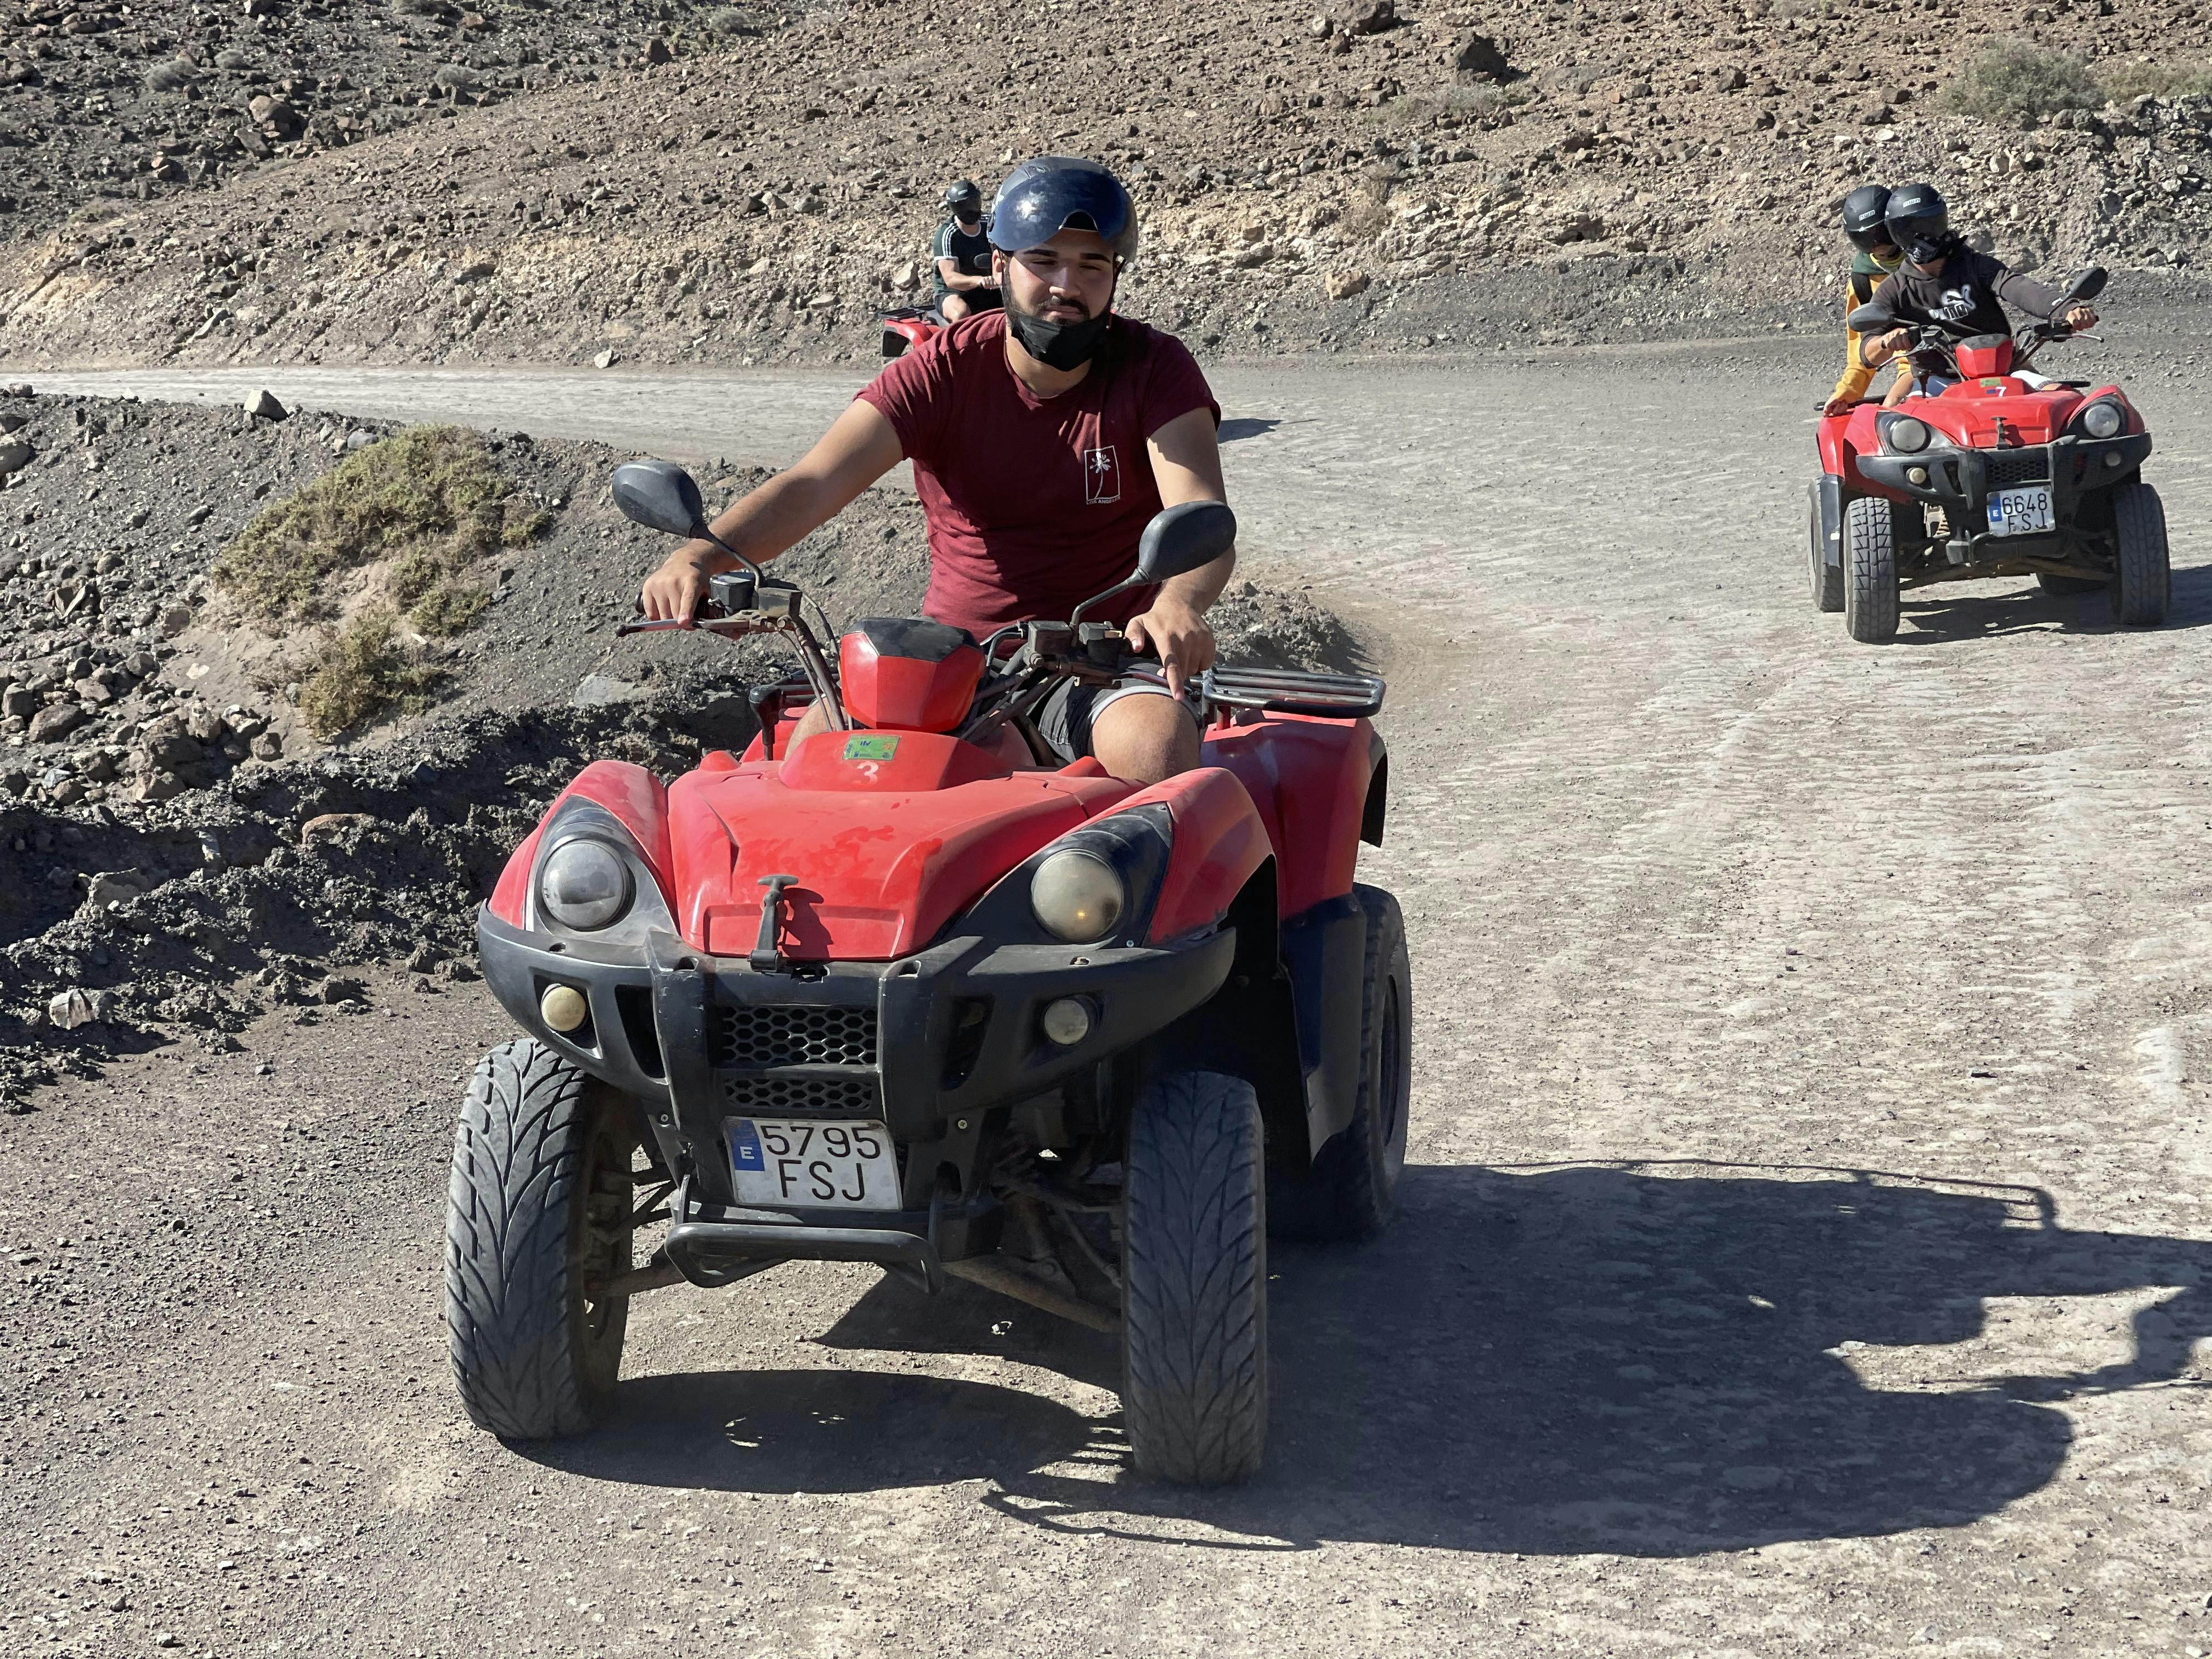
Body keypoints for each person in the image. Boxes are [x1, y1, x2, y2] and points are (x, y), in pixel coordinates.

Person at [639, 156, 1231, 787]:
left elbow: (1201, 522)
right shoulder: (943, 371)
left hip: (1104, 655)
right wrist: (703, 557)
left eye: (1092, 265)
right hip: (955, 657)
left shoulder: (1155, 369)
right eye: (1044, 261)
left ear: (1115, 275)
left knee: (1155, 746)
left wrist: (1177, 604)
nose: (1067, 284)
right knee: (818, 752)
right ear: (1000, 266)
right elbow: (815, 481)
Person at [1859, 181, 2098, 398]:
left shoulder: (1974, 265)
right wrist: (1886, 342)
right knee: (1893, 423)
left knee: (2068, 402)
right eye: (1906, 232)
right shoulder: (1896, 288)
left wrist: (2067, 308)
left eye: (1927, 227)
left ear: (1941, 224)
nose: (1919, 238)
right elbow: (1867, 352)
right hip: (1936, 380)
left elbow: (2019, 287)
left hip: (2005, 370)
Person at [1821, 183, 1910, 417]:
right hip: (1915, 370)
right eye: (1864, 239)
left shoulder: (1929, 261)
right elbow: (1861, 352)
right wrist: (1848, 392)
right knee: (1891, 415)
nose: (1875, 245)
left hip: (1959, 358)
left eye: (1879, 234)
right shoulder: (1862, 281)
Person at [932, 178, 1000, 323]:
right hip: (954, 293)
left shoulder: (990, 224)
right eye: (963, 207)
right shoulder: (948, 234)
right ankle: (959, 345)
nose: (971, 210)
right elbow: (950, 279)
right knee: (961, 313)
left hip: (990, 287)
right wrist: (980, 280)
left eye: (973, 203)